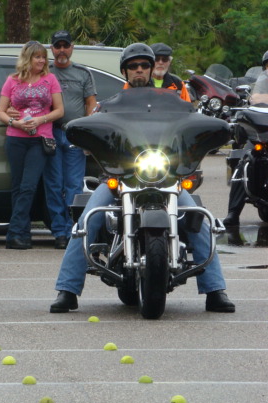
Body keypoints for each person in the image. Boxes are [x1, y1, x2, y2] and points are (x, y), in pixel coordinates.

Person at [50, 43, 235, 314]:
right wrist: (89, 137)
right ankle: (67, 290)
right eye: (134, 66)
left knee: (201, 220)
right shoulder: (108, 106)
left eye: (144, 65)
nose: (139, 70)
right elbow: (91, 133)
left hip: (166, 176)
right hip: (119, 177)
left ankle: (216, 290)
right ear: (125, 71)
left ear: (151, 69)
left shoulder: (176, 104)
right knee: (87, 221)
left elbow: (191, 127)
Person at [0, 41, 64, 250]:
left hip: (40, 138)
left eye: (43, 57)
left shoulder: (50, 79)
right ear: (27, 58)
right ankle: (23, 235)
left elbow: (59, 110)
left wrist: (40, 120)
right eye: (37, 57)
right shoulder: (12, 80)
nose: (42, 60)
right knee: (17, 187)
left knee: (28, 186)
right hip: (15, 138)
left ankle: (13, 234)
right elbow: (0, 111)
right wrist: (14, 121)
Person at [48, 30, 97, 249]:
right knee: (54, 184)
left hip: (74, 134)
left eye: (65, 46)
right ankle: (59, 231)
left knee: (74, 185)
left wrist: (88, 135)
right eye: (57, 46)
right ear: (51, 49)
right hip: (50, 133)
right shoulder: (45, 73)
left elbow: (91, 106)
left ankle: (74, 230)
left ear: (72, 47)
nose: (61, 50)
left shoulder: (83, 73)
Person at [223, 47, 268, 227]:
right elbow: (254, 99)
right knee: (244, 160)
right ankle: (233, 213)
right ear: (265, 68)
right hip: (261, 134)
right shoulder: (260, 84)